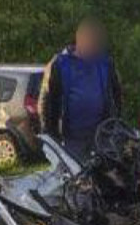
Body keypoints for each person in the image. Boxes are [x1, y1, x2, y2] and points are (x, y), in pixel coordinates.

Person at [39, 18, 123, 159]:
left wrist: (114, 123)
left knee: (105, 175)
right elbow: (46, 102)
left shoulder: (106, 63)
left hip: (102, 136)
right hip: (71, 139)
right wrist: (50, 137)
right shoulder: (59, 64)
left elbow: (117, 93)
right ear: (80, 40)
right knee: (77, 177)